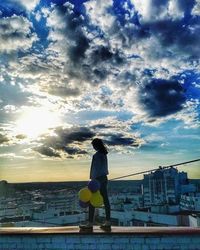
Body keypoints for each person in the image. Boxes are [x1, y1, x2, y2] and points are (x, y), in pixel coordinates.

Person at [81, 138, 111, 229]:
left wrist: (92, 181)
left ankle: (90, 223)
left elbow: (95, 169)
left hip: (97, 179)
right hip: (104, 178)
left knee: (91, 200)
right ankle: (108, 221)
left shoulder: (97, 155)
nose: (93, 147)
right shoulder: (104, 154)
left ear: (96, 145)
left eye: (93, 146)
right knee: (105, 200)